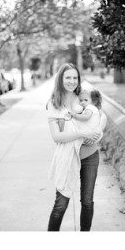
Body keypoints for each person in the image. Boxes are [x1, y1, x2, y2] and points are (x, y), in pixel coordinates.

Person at [46, 63, 105, 230]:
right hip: (67, 158)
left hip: (90, 156)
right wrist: (82, 134)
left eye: (75, 77)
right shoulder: (54, 103)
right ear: (60, 79)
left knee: (87, 201)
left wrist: (97, 132)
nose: (72, 81)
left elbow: (101, 115)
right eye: (68, 77)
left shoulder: (83, 96)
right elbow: (57, 137)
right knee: (60, 204)